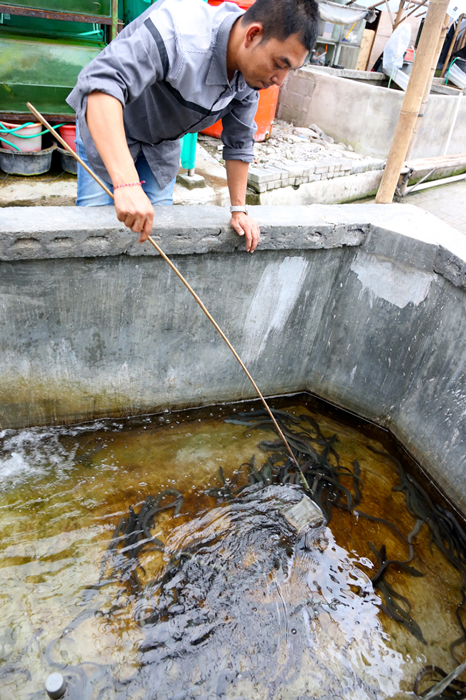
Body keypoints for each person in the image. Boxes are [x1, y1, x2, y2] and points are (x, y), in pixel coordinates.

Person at [67, 0, 319, 253]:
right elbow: (101, 88)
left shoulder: (250, 78)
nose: (279, 80)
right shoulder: (177, 31)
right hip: (110, 128)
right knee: (94, 236)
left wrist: (238, 210)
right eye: (278, 63)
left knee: (155, 237)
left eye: (290, 70)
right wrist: (126, 184)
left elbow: (239, 142)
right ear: (252, 35)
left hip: (161, 143)